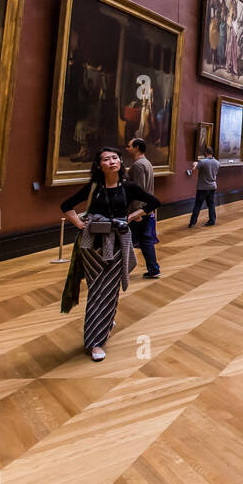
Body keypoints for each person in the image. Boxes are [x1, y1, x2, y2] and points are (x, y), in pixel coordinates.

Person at [60, 148, 159, 360]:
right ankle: (94, 342)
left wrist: (131, 217)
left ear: (121, 163)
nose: (112, 162)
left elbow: (153, 202)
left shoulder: (129, 187)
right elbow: (66, 206)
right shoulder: (93, 188)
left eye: (115, 158)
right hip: (93, 246)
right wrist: (79, 223)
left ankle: (104, 324)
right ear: (99, 165)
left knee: (111, 290)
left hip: (118, 244)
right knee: (97, 291)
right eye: (106, 159)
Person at [125, 137, 160, 279]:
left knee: (124, 241)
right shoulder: (146, 162)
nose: (127, 148)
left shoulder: (138, 165)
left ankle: (119, 271)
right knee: (145, 241)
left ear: (136, 148)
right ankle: (153, 268)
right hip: (145, 209)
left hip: (138, 211)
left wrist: (136, 212)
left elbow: (139, 190)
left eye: (129, 146)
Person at [188, 148, 220, 226]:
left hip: (202, 187)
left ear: (205, 152)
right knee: (211, 204)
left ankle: (192, 223)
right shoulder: (217, 163)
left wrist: (195, 163)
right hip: (212, 186)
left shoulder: (202, 162)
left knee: (198, 205)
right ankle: (212, 221)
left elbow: (194, 167)